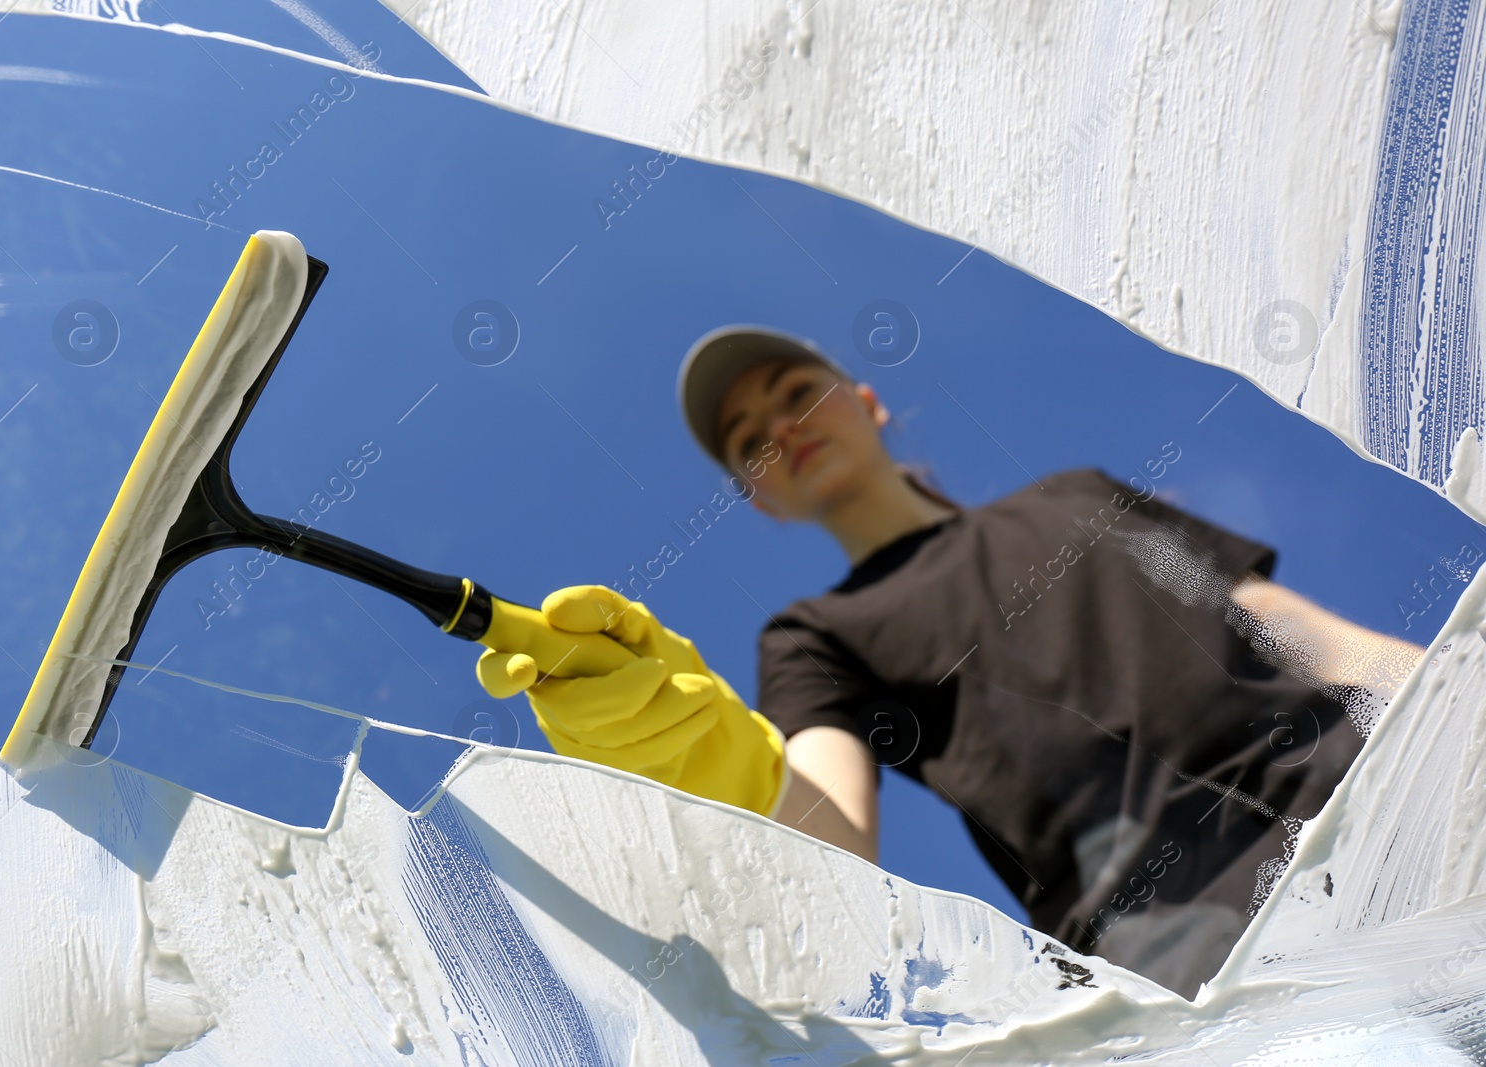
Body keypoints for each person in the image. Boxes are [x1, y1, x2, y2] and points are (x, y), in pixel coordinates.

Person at [475, 325, 1425, 998]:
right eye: (750, 440)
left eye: (796, 392)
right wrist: (690, 753)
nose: (783, 428)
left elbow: (1267, 616)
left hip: (1369, 785)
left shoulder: (1080, 495)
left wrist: (1445, 687)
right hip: (1183, 939)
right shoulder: (814, 635)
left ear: (867, 402)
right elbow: (831, 837)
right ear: (758, 498)